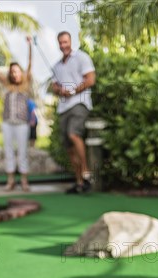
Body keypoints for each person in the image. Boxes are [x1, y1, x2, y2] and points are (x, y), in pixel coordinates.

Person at [0, 37, 33, 192]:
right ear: (10, 74)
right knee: (9, 151)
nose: (15, 73)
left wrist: (30, 46)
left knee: (23, 151)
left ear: (21, 73)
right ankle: (10, 181)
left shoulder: (26, 85)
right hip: (7, 123)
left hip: (22, 123)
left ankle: (24, 181)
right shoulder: (6, 84)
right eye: (12, 71)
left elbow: (30, 65)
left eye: (17, 71)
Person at [52, 31, 96, 194]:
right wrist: (59, 90)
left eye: (66, 42)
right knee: (69, 147)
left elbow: (91, 79)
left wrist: (73, 91)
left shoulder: (82, 57)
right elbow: (54, 86)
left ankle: (86, 171)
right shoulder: (57, 65)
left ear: (71, 41)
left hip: (80, 103)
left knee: (73, 134)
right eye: (61, 43)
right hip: (63, 107)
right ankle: (79, 182)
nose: (63, 45)